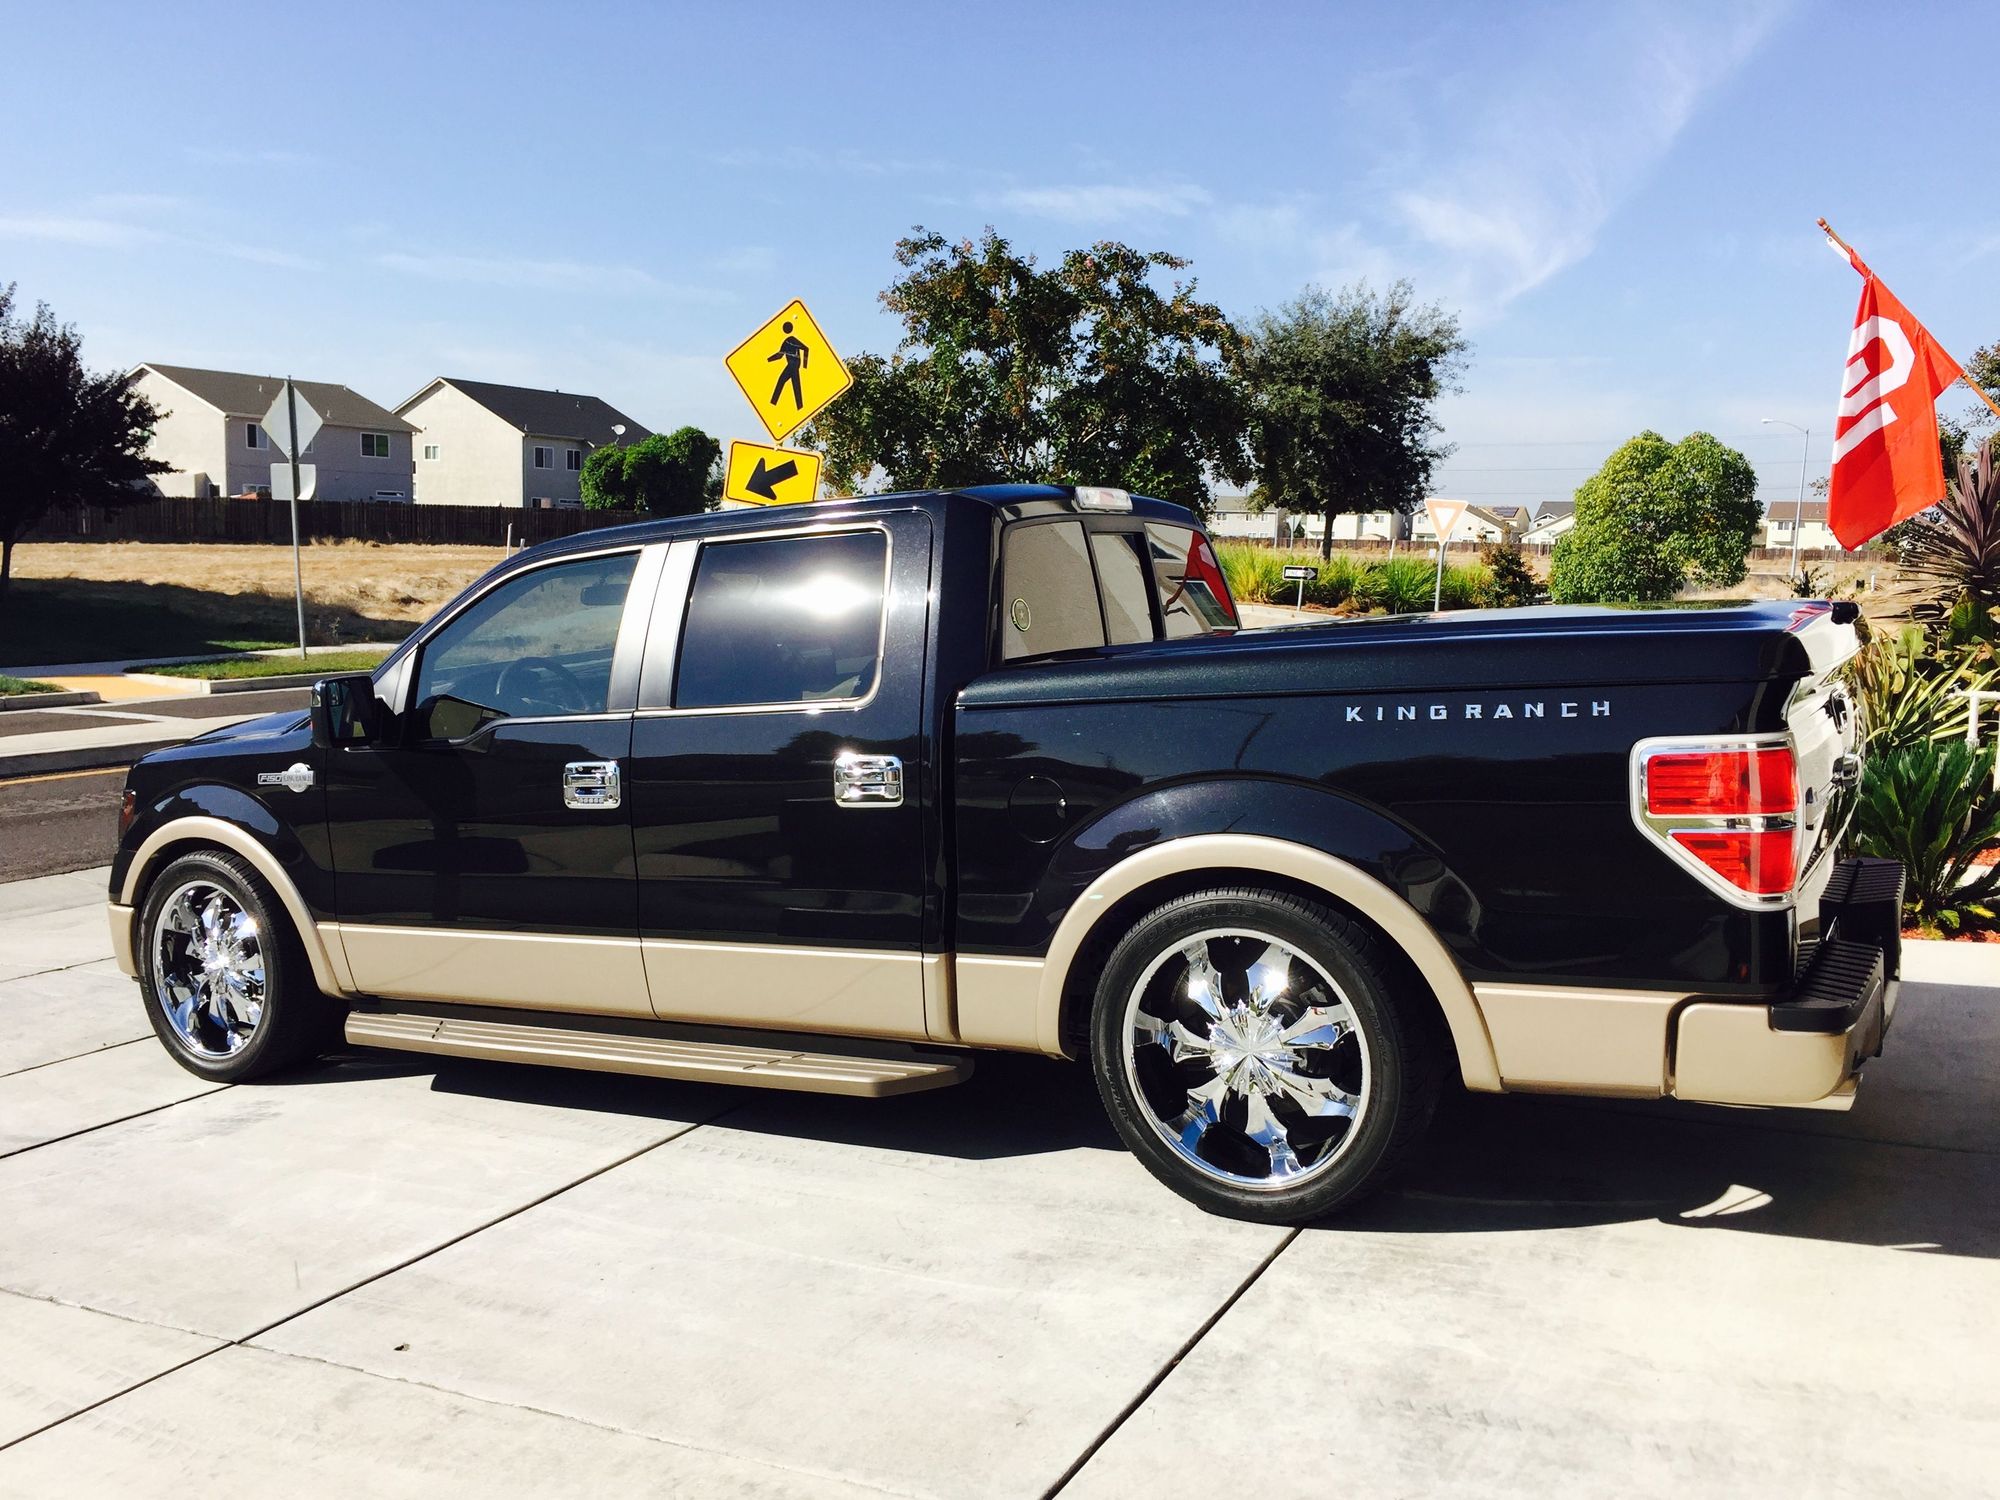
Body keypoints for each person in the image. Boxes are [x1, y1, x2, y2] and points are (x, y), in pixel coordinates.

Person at [768, 321, 809, 409]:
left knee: (794, 385)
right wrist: (768, 360)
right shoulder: (786, 342)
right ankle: (773, 404)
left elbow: (806, 349)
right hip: (790, 364)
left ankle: (799, 407)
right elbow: (779, 355)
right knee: (786, 382)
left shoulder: (792, 340)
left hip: (794, 364)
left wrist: (804, 365)